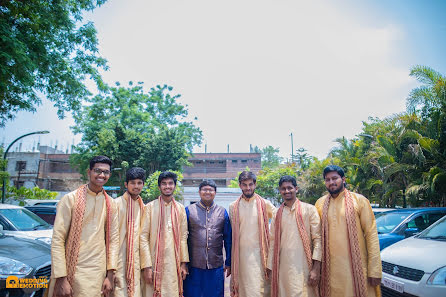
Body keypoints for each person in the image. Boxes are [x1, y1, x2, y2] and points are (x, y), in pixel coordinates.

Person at [46, 155, 119, 297]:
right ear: (89, 172)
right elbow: (58, 240)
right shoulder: (70, 199)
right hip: (73, 271)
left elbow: (114, 240)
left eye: (106, 172)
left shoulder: (111, 204)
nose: (102, 175)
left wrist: (110, 275)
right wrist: (62, 279)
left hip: (98, 271)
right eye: (98, 170)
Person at [315, 165, 382, 297]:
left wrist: (375, 270)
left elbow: (371, 234)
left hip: (355, 270)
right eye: (327, 179)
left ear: (343, 179)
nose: (331, 182)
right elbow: (316, 236)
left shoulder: (360, 201)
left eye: (335, 178)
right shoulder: (320, 204)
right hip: (330, 271)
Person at [267, 175, 322, 297]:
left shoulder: (309, 210)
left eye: (289, 188)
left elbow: (318, 240)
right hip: (283, 270)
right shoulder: (277, 213)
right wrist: (270, 267)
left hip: (305, 268)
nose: (286, 191)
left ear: (296, 189)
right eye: (283, 188)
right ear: (280, 191)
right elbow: (272, 242)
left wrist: (316, 268)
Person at [140, 171, 189, 297]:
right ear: (159, 187)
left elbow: (183, 237)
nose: (167, 186)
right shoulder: (149, 207)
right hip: (153, 262)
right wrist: (146, 266)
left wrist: (184, 263)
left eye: (170, 183)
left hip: (174, 264)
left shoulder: (180, 208)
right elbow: (143, 237)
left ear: (174, 186)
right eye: (164, 184)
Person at [229, 171, 276, 297]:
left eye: (250, 184)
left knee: (260, 290)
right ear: (240, 185)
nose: (248, 188)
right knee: (243, 290)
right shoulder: (233, 207)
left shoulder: (265, 204)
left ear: (255, 185)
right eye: (244, 185)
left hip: (261, 257)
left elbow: (278, 221)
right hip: (241, 257)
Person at [183, 179, 232, 297]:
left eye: (211, 190)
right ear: (199, 192)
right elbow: (182, 238)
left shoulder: (222, 212)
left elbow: (228, 239)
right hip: (194, 266)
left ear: (215, 192)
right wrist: (183, 262)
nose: (207, 192)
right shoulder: (189, 210)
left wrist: (229, 261)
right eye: (204, 189)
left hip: (216, 266)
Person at [112, 167, 146, 297]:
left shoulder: (143, 207)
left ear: (143, 184)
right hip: (119, 261)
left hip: (136, 262)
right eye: (132, 183)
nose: (136, 186)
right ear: (126, 184)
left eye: (139, 183)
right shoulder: (116, 204)